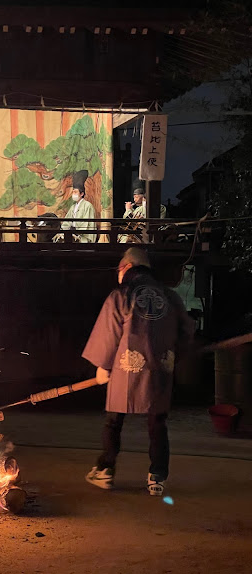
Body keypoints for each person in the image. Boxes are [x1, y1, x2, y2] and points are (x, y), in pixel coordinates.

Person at [82, 247, 195, 495]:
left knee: (113, 422)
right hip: (159, 370)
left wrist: (103, 366)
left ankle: (105, 471)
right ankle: (157, 478)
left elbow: (109, 333)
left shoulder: (121, 295)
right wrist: (175, 357)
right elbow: (187, 333)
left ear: (126, 268)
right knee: (157, 424)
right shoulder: (170, 296)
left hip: (126, 369)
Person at [59, 170, 97, 243]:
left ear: (82, 194)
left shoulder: (88, 206)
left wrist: (75, 230)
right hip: (72, 233)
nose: (73, 194)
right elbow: (67, 222)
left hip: (83, 236)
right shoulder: (73, 207)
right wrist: (67, 229)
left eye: (75, 192)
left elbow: (86, 224)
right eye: (73, 192)